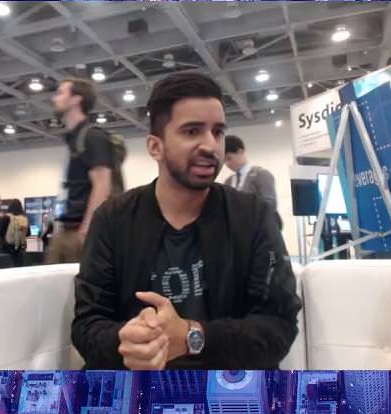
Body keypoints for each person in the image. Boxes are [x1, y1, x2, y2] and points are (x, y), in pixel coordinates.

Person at [70, 71, 301, 370]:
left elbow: (279, 326)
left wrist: (194, 336)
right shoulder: (113, 219)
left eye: (218, 132)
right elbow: (87, 326)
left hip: (228, 389)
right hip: (139, 387)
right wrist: (124, 342)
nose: (211, 145)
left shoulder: (253, 216)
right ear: (155, 146)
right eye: (192, 131)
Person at [48, 78, 117, 264]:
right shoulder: (74, 139)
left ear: (76, 99)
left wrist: (88, 228)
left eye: (61, 93)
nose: (54, 98)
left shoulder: (93, 136)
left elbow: (102, 185)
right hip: (66, 229)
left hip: (79, 233)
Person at [224, 135, 282, 229]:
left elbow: (270, 206)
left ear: (240, 152)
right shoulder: (228, 181)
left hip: (260, 229)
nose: (227, 164)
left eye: (229, 158)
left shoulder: (261, 175)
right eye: (224, 161)